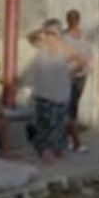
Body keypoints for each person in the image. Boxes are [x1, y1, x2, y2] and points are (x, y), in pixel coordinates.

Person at [23, 23, 75, 163]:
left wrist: (72, 71)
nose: (50, 37)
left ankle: (57, 149)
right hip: (43, 92)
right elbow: (29, 37)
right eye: (48, 34)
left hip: (60, 93)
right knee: (44, 122)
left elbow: (82, 59)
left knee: (58, 123)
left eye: (53, 34)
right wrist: (41, 30)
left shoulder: (65, 49)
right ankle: (45, 150)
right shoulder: (42, 46)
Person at [63, 10, 95, 154]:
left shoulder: (84, 37)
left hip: (81, 74)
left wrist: (84, 64)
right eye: (70, 19)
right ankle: (73, 140)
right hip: (67, 75)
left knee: (74, 105)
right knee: (69, 108)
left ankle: (70, 138)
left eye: (74, 19)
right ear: (67, 20)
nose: (72, 22)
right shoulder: (64, 37)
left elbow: (88, 54)